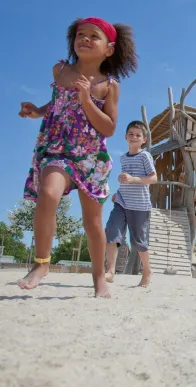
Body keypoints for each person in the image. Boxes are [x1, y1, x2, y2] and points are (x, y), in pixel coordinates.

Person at [17, 17, 138, 298]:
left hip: (90, 158)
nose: (84, 39)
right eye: (80, 34)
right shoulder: (60, 71)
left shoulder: (109, 85)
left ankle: (99, 279)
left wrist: (86, 99)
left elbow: (108, 127)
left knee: (92, 222)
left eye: (93, 36)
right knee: (48, 195)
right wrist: (37, 110)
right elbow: (57, 105)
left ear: (108, 49)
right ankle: (41, 264)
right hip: (56, 149)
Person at [104, 121, 157, 288]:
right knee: (112, 231)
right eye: (131, 134)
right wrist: (118, 193)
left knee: (139, 242)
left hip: (140, 206)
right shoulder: (123, 157)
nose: (134, 137)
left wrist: (133, 179)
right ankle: (111, 271)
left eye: (138, 135)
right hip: (122, 202)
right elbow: (126, 179)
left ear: (144, 140)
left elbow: (153, 178)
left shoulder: (145, 156)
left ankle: (147, 271)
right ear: (126, 137)